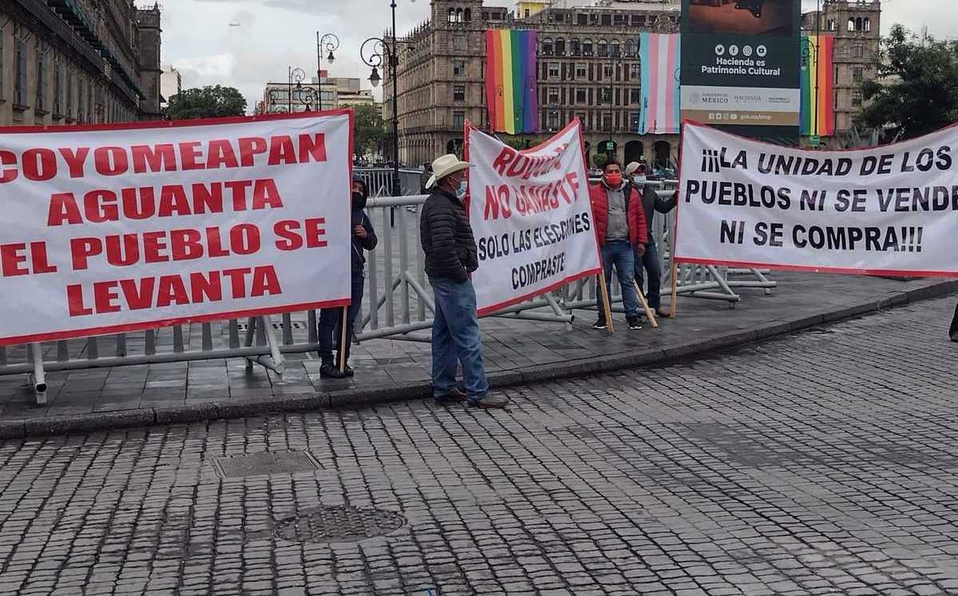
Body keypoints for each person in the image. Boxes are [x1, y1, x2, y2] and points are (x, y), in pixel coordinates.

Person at [421, 154, 508, 409]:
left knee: (444, 333)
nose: (462, 178)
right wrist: (460, 272)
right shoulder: (443, 206)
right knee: (467, 334)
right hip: (451, 277)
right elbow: (444, 246)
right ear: (449, 179)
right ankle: (478, 391)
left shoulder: (438, 203)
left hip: (442, 274)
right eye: (459, 175)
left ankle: (444, 386)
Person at [318, 176, 378, 379]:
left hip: (355, 273)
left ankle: (342, 360)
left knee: (348, 321)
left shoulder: (362, 216)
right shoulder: (333, 211)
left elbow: (372, 242)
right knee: (328, 319)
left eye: (361, 189)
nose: (357, 192)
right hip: (334, 272)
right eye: (354, 187)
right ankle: (326, 362)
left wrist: (366, 236)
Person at [590, 159, 648, 331]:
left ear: (621, 172)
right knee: (603, 283)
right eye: (610, 171)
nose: (614, 174)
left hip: (625, 244)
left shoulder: (632, 193)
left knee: (628, 281)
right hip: (603, 245)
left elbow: (640, 218)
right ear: (603, 173)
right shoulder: (594, 193)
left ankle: (631, 316)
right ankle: (603, 317)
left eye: (616, 171)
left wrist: (641, 241)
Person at [626, 161, 677, 318]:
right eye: (637, 173)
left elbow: (662, 208)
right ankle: (640, 307)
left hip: (648, 237)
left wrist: (676, 197)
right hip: (632, 239)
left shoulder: (649, 192)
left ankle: (654, 304)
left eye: (642, 172)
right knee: (637, 274)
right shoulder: (625, 193)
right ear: (629, 176)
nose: (641, 175)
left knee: (655, 271)